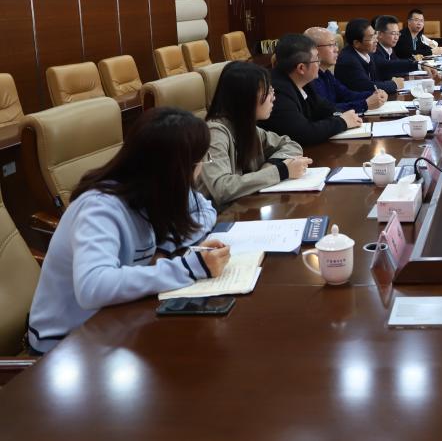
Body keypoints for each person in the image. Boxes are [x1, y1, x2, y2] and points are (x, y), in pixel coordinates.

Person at [27, 108, 231, 354]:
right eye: (200, 161)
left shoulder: (157, 187)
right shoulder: (100, 208)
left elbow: (205, 210)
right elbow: (93, 287)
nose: (201, 169)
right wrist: (188, 268)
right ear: (177, 168)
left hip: (118, 320)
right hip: (67, 343)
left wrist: (166, 248)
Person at [200, 61, 310, 209]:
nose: (273, 98)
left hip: (244, 209)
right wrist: (281, 171)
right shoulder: (214, 133)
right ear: (246, 97)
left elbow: (290, 144)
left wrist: (270, 166)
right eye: (267, 91)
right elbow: (222, 189)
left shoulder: (246, 126)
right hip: (219, 218)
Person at [261, 33, 361, 146]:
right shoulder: (278, 92)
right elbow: (303, 133)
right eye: (317, 59)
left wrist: (344, 115)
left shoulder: (304, 82)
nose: (319, 63)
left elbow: (323, 108)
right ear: (301, 68)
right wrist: (342, 121)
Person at [304, 27, 388, 113]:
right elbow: (327, 109)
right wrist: (365, 104)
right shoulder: (310, 78)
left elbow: (346, 95)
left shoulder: (326, 73)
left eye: (335, 44)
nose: (336, 49)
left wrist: (373, 94)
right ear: (314, 50)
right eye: (331, 45)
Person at [334, 19, 403, 94]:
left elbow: (378, 75)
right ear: (357, 43)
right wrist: (394, 84)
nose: (376, 40)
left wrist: (391, 79)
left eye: (375, 35)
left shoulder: (367, 53)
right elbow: (367, 87)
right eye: (371, 37)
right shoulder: (348, 61)